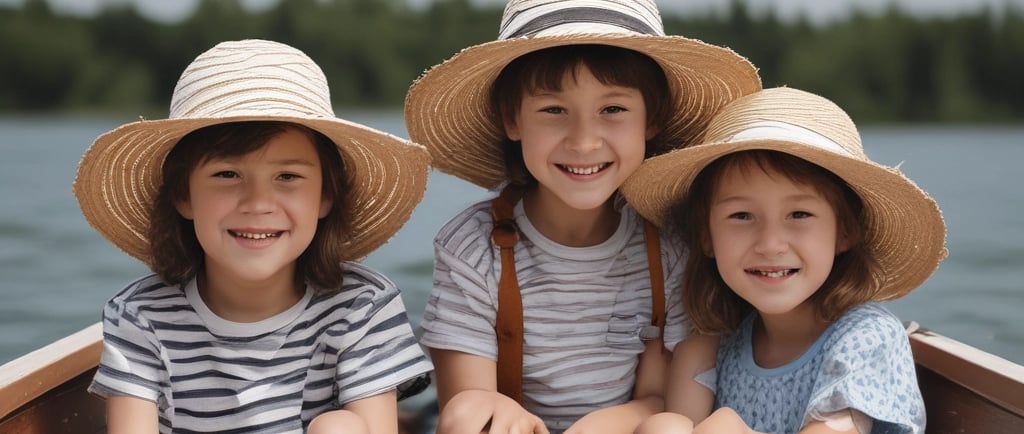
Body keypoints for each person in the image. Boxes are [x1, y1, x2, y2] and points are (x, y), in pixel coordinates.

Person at [403, 1, 762, 433]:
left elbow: (662, 399)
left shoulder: (670, 247)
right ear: (512, 119)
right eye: (554, 110)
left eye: (613, 110)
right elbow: (468, 402)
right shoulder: (472, 246)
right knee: (466, 414)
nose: (585, 142)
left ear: (652, 119)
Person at [72, 39, 433, 434]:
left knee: (340, 427)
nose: (258, 203)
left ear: (325, 196)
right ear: (182, 195)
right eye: (227, 175)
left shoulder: (361, 306)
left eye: (288, 177)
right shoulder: (140, 316)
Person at [622, 87, 948, 433]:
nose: (771, 244)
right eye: (742, 216)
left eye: (799, 214)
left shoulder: (866, 337)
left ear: (845, 232)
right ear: (707, 236)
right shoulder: (719, 341)